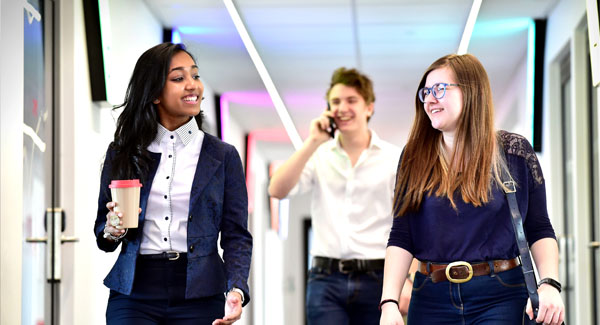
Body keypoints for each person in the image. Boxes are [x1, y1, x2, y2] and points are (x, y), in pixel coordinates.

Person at [379, 53, 565, 325]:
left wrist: (549, 284)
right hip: (431, 297)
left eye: (440, 89)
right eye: (426, 92)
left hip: (501, 295)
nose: (430, 99)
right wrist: (389, 303)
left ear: (471, 92)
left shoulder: (513, 152)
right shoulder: (414, 157)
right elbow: (401, 235)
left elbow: (538, 227)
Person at [94, 42, 252, 325]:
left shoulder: (223, 156)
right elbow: (103, 237)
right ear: (154, 93)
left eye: (195, 75)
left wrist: (237, 287)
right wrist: (113, 229)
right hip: (135, 291)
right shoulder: (123, 153)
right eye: (179, 78)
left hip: (200, 293)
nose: (193, 85)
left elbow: (236, 234)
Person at [268, 67, 410, 324]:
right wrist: (312, 142)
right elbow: (276, 190)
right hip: (326, 280)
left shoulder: (394, 158)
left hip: (379, 278)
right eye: (335, 102)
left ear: (369, 107)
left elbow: (409, 222)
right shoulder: (318, 155)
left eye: (351, 100)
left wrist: (407, 279)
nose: (342, 108)